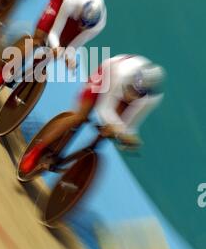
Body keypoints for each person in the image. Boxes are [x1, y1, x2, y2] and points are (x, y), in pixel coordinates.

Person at [18, 54, 165, 176]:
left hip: (120, 93)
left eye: (138, 93)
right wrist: (118, 129)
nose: (133, 94)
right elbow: (104, 108)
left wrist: (127, 135)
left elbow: (130, 123)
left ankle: (86, 153)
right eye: (133, 89)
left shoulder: (151, 99)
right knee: (80, 116)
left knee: (108, 132)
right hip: (107, 78)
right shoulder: (122, 73)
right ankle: (36, 151)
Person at [0, 0, 107, 95]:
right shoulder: (72, 2)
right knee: (39, 39)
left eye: (84, 26)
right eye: (82, 23)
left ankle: (31, 73)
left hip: (80, 19)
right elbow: (54, 33)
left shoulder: (96, 27)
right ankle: (1, 73)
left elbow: (73, 47)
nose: (82, 26)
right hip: (62, 1)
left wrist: (69, 58)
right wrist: (55, 46)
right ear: (81, 14)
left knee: (57, 52)